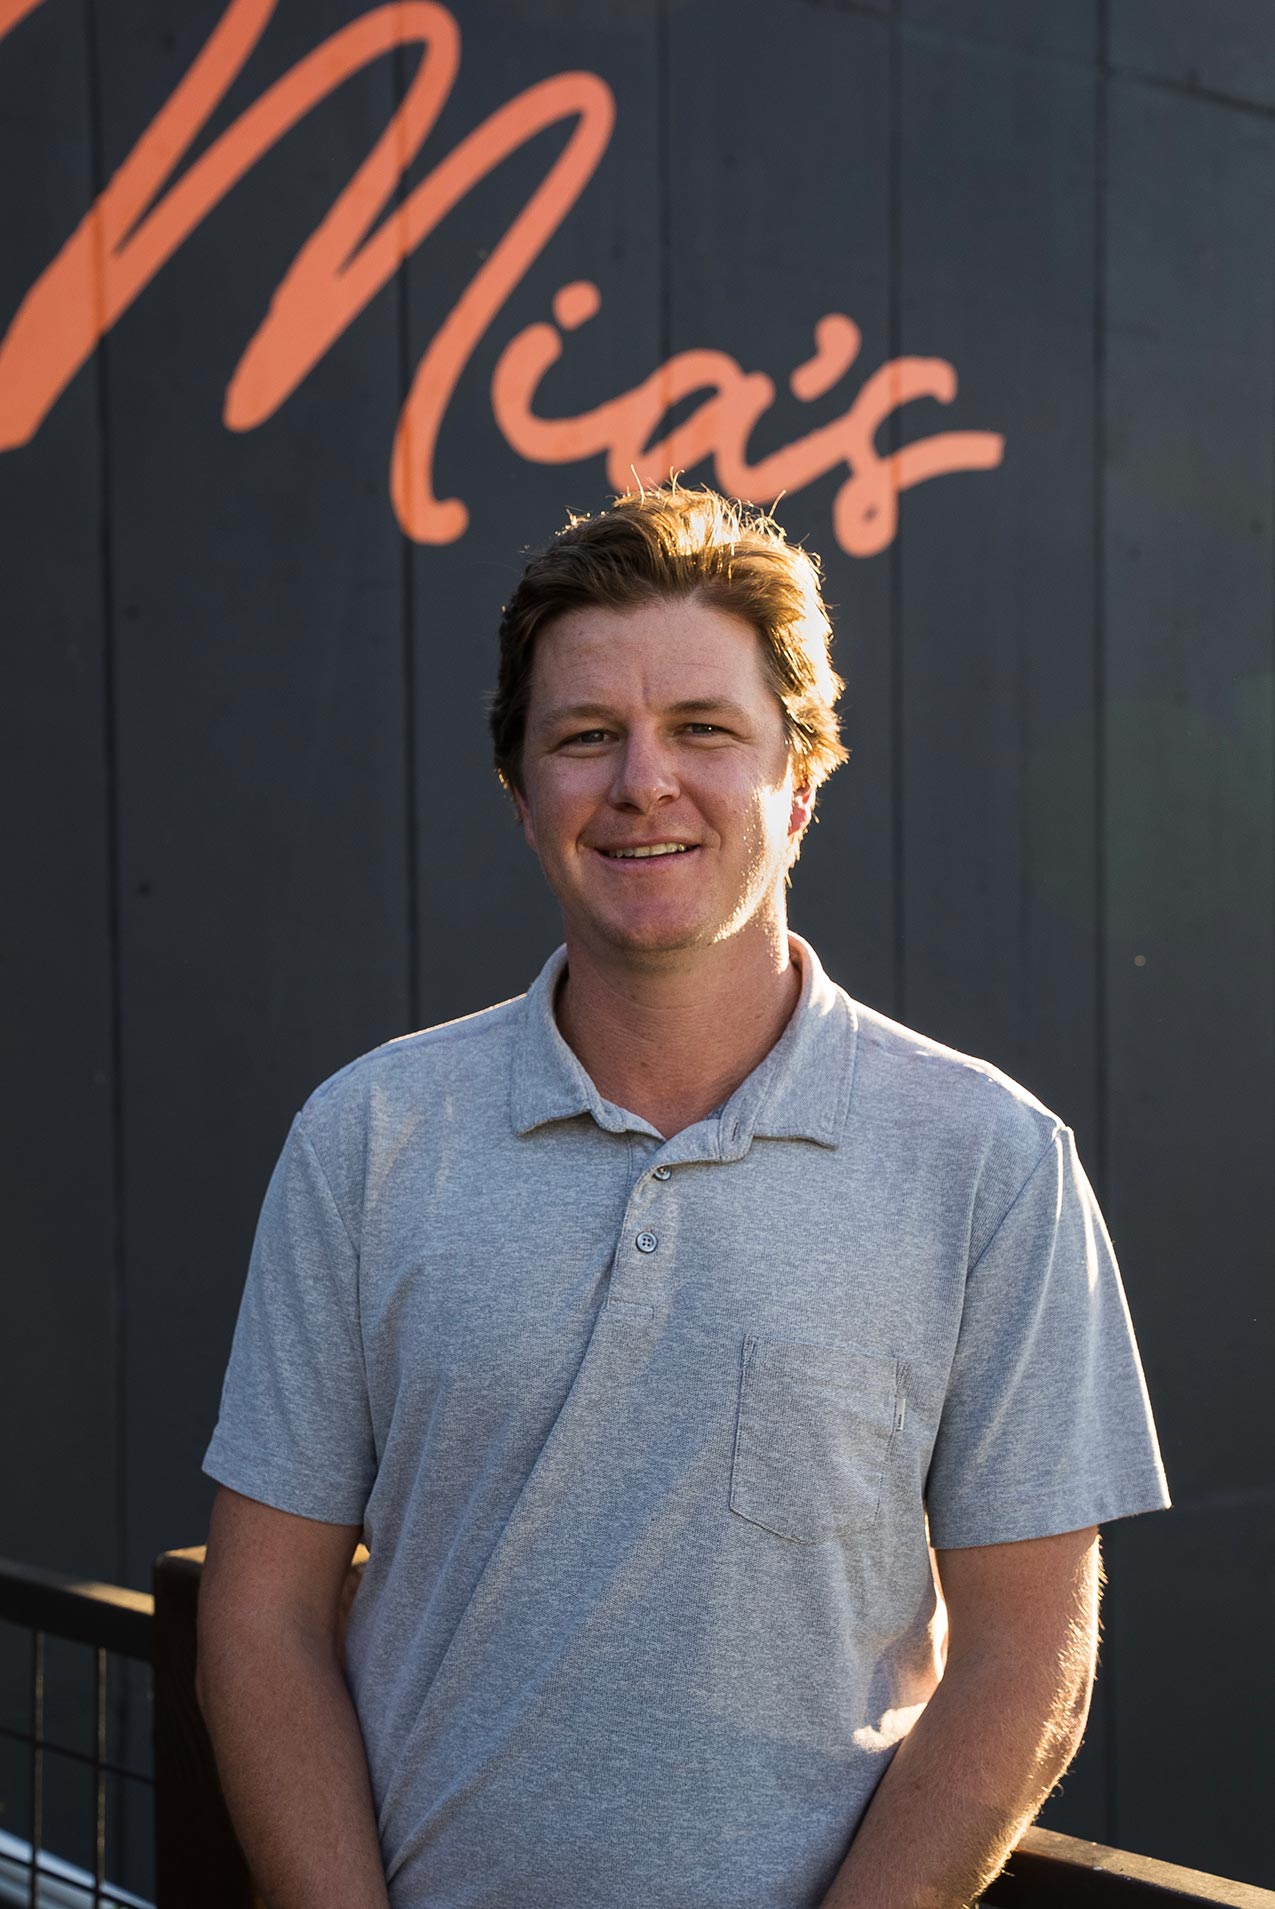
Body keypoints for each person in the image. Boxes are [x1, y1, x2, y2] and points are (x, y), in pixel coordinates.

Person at [197, 483, 1169, 1909]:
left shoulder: (990, 1164)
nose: (642, 780)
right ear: (523, 794)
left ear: (802, 775)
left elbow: (1032, 1659)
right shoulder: (368, 1138)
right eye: (587, 736)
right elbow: (262, 1613)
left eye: (704, 728)